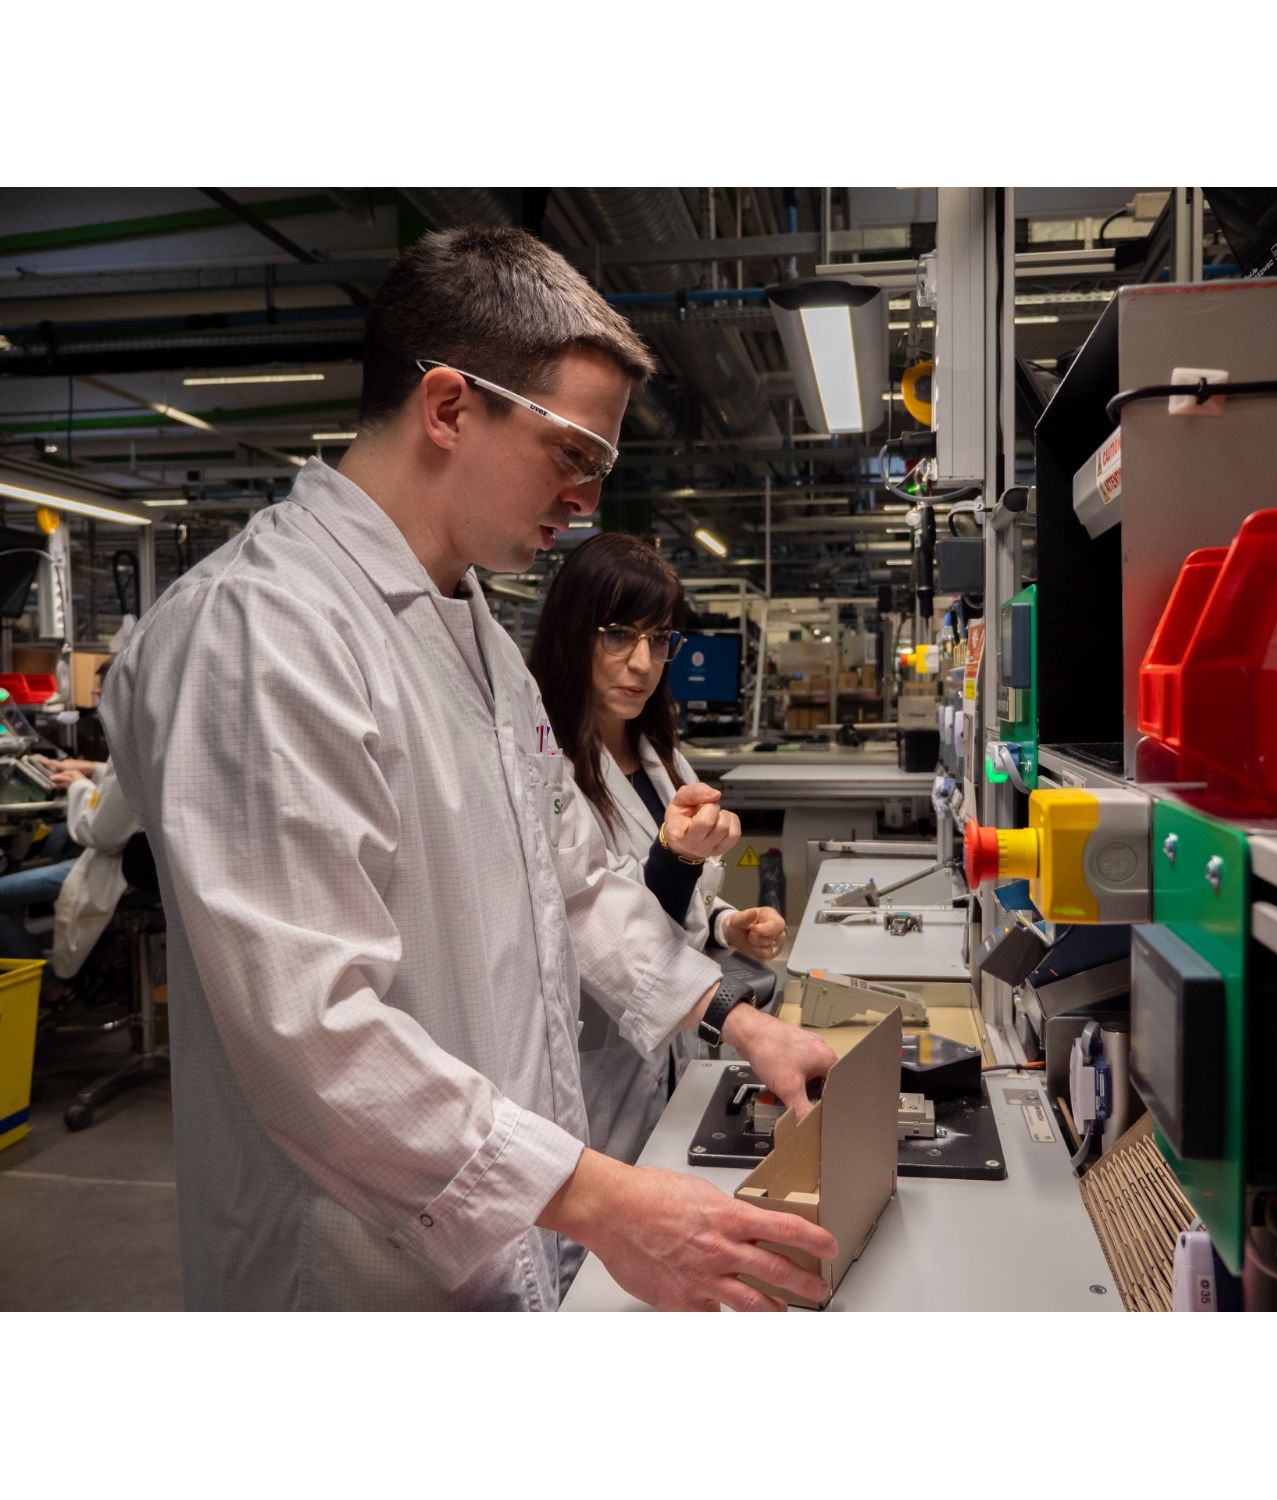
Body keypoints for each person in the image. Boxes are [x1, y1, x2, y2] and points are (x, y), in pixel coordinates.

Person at [102, 226, 840, 1312]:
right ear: (449, 407)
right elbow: (313, 1036)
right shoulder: (263, 631)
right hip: (352, 1276)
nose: (586, 500)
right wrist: (605, 1200)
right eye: (574, 456)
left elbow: (573, 883)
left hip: (512, 1229)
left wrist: (734, 1016)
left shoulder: (475, 637)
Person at [530, 532, 786, 1166]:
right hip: (604, 1065)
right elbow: (601, 916)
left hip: (677, 1050)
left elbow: (677, 900)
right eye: (618, 635)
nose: (643, 663)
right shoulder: (546, 774)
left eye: (660, 639)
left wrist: (726, 924)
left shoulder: (662, 758)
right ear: (573, 634)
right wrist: (677, 857)